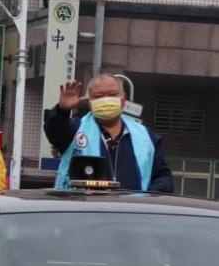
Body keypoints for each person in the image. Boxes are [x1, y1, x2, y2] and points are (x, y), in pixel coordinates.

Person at [44, 75, 174, 193]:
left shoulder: (147, 137)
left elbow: (163, 177)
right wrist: (62, 111)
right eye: (98, 96)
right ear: (89, 102)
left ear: (123, 100)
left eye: (112, 95)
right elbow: (54, 131)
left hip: (133, 213)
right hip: (81, 212)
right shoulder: (75, 129)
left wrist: (147, 200)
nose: (106, 100)